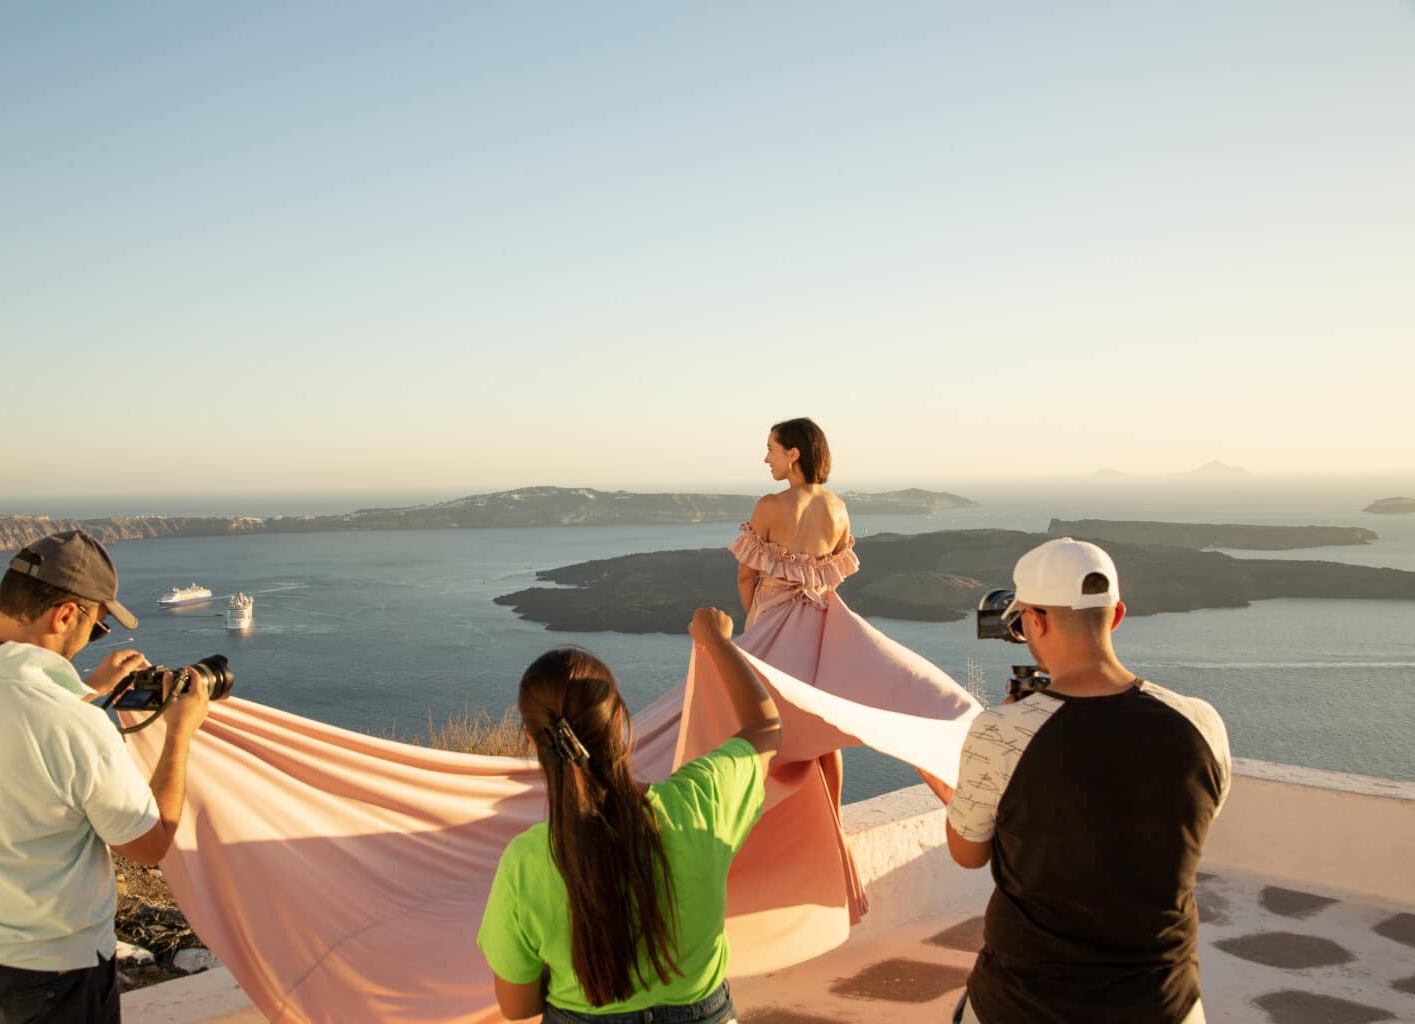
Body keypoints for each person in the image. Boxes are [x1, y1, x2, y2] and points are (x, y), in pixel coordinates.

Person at [0, 529, 211, 1023]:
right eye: (97, 627)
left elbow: (2, 724)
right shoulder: (73, 727)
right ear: (63, 616)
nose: (90, 638)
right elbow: (150, 845)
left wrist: (86, 688)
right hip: (42, 981)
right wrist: (179, 733)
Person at [945, 538, 1231, 1024]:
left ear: (1033, 621)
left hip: (1026, 1004)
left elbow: (968, 854)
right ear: (1116, 615)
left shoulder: (1003, 731)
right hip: (1163, 1004)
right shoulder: (1201, 724)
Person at [478, 607, 780, 1023]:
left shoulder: (526, 862)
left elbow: (518, 1007)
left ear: (533, 738)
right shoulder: (701, 802)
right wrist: (717, 640)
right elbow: (765, 727)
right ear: (619, 718)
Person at [731, 417, 972, 809]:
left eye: (771, 450)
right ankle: (833, 815)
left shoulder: (770, 506)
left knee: (766, 727)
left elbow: (746, 576)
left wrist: (755, 625)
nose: (765, 458)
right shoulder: (839, 509)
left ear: (793, 454)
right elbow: (831, 580)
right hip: (821, 627)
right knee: (822, 729)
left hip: (772, 623)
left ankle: (779, 823)